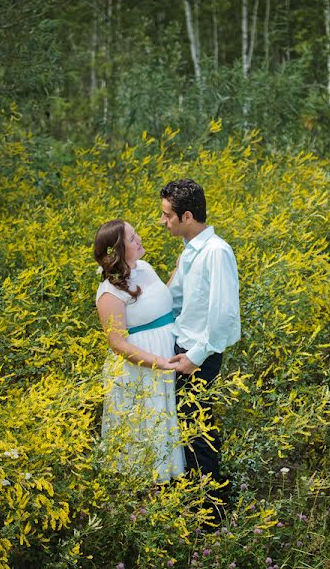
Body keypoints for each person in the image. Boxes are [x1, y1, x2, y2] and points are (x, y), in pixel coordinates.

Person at [160, 179, 240, 500]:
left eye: (167, 215)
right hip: (182, 350)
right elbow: (176, 299)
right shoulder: (190, 251)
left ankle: (211, 516)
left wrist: (195, 356)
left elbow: (224, 317)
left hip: (200, 355)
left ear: (188, 217)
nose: (163, 221)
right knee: (187, 429)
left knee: (197, 433)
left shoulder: (217, 252)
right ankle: (196, 502)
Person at [94, 219, 186, 483]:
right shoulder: (109, 292)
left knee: (168, 422)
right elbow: (117, 343)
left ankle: (169, 489)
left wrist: (178, 270)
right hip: (141, 368)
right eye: (133, 239)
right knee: (146, 428)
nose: (140, 239)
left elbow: (158, 302)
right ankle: (142, 500)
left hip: (165, 353)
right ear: (118, 251)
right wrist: (159, 362)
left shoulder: (144, 267)